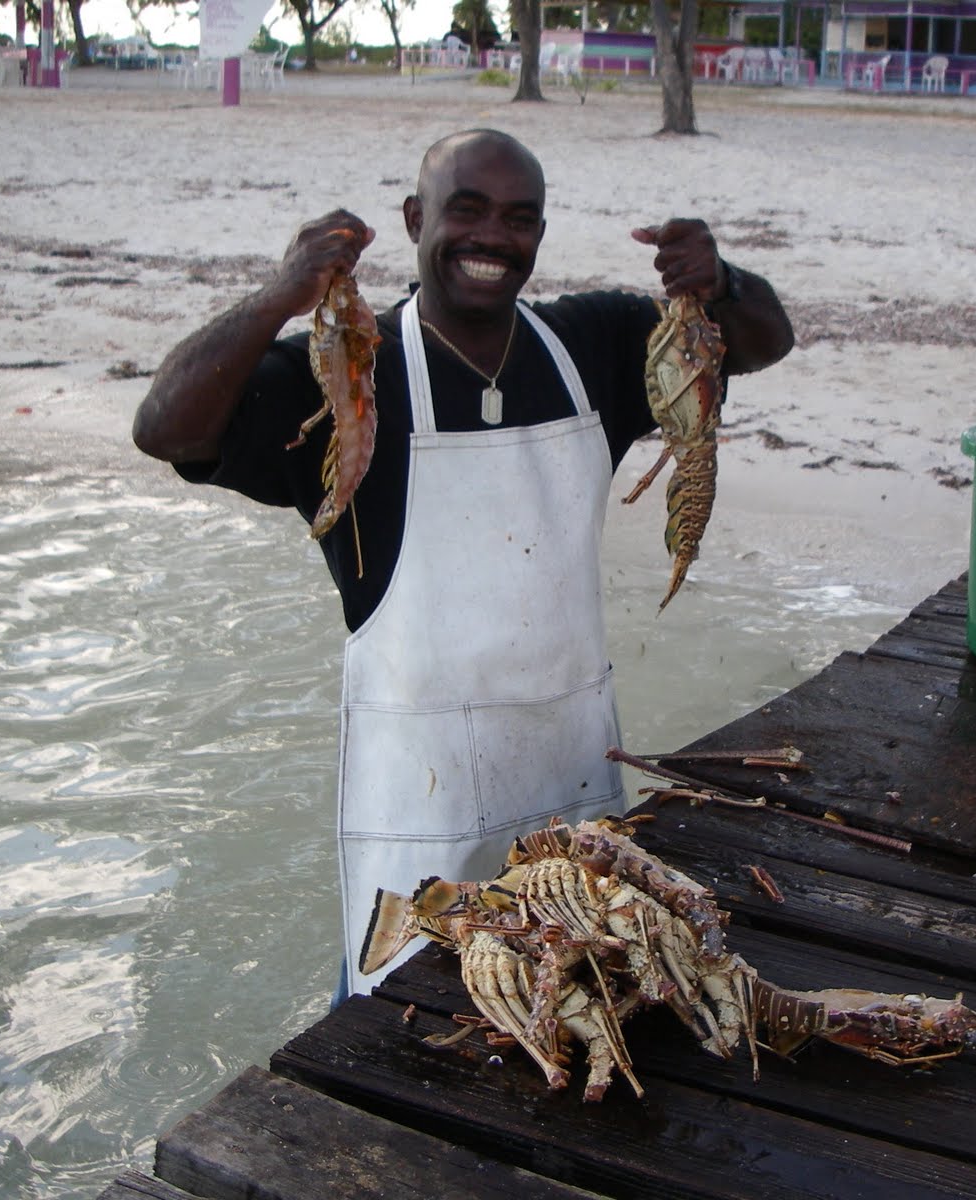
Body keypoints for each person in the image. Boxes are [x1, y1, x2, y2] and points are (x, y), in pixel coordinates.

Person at [132, 128, 794, 1000]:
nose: (493, 237)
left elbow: (757, 343)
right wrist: (274, 299)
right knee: (396, 1024)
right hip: (417, 809)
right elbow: (167, 429)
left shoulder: (595, 345)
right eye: (467, 210)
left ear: (539, 237)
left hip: (574, 788)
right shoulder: (346, 378)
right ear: (416, 219)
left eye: (519, 219)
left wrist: (723, 285)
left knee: (580, 1001)